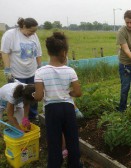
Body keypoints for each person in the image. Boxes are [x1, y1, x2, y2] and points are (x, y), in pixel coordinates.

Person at [34, 32, 82, 167]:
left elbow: (39, 97)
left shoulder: (40, 72)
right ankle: (75, 164)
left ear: (48, 52)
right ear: (64, 52)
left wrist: (33, 95)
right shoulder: (70, 71)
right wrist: (69, 93)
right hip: (68, 108)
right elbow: (78, 93)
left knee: (54, 141)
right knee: (72, 139)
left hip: (51, 110)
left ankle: (55, 164)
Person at [1, 17, 42, 121]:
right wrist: (7, 69)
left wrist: (39, 66)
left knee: (33, 96)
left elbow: (38, 52)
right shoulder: (11, 34)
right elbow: (4, 52)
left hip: (32, 72)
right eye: (31, 31)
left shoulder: (34, 35)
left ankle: (33, 116)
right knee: (18, 98)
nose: (33, 34)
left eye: (35, 31)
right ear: (23, 26)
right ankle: (18, 118)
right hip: (16, 74)